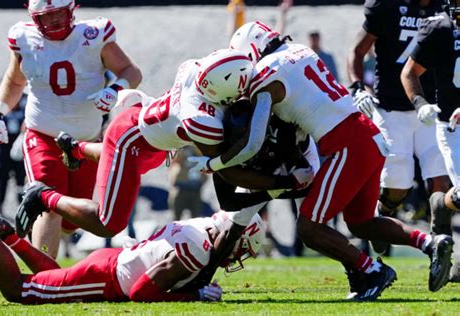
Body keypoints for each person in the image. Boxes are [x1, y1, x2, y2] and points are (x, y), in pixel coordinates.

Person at [193, 21, 454, 301]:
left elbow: (253, 142)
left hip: (348, 145)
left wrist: (216, 163)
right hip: (371, 138)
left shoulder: (266, 76)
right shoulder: (302, 51)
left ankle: (370, 271)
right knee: (361, 222)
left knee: (309, 227)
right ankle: (430, 242)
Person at [15, 49, 309, 240]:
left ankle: (76, 148)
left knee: (136, 160)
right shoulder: (202, 121)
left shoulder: (195, 69)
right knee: (109, 223)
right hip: (130, 140)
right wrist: (281, 182)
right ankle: (44, 197)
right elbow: (227, 174)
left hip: (154, 140)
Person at [0, 0, 142, 258]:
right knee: (47, 201)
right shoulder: (23, 38)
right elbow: (14, 81)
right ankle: (44, 275)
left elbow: (130, 70)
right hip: (42, 134)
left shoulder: (93, 35)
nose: (54, 21)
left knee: (71, 221)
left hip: (86, 141)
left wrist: (114, 90)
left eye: (58, 13)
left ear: (71, 10)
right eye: (46, 16)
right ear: (34, 18)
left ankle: (51, 251)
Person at [347, 0, 451, 245]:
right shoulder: (388, 6)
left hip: (429, 109)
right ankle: (382, 218)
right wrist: (358, 87)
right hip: (391, 109)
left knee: (440, 180)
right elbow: (358, 50)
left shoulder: (444, 10)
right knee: (397, 186)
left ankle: (441, 245)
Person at [0, 211, 263, 304]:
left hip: (111, 262)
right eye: (241, 249)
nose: (236, 257)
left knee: (52, 280)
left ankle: (12, 239)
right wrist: (195, 297)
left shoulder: (203, 226)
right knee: (18, 290)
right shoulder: (199, 248)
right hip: (106, 277)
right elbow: (141, 293)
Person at [400, 0, 460, 280]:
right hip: (452, 125)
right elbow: (409, 72)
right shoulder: (440, 28)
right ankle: (440, 203)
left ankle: (442, 204)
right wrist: (420, 103)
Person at [0, 85, 26, 218]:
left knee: (21, 182)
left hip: (19, 151)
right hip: (3, 151)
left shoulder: (24, 105)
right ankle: (0, 210)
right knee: (2, 182)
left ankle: (22, 211)